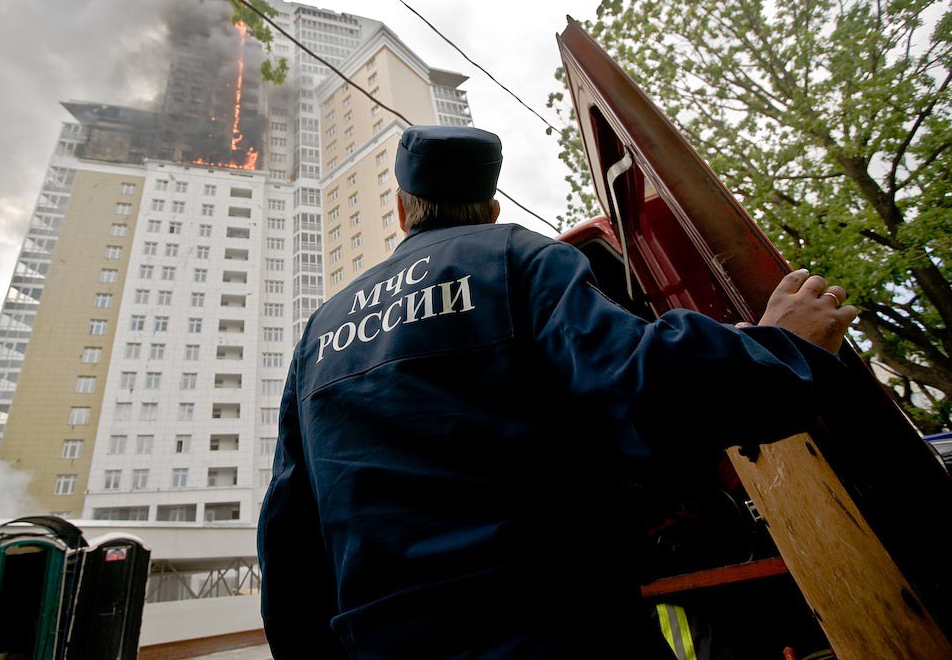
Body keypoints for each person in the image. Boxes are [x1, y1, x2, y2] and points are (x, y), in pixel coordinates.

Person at [257, 125, 857, 659]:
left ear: (400, 209)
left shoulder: (322, 330)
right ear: (491, 208)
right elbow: (639, 383)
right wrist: (783, 348)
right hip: (549, 626)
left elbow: (287, 534)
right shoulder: (515, 257)